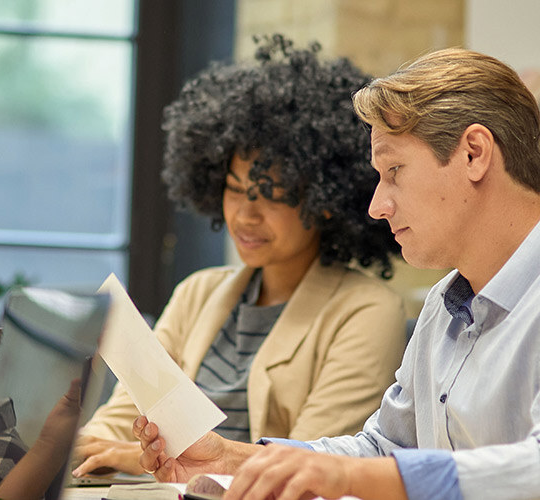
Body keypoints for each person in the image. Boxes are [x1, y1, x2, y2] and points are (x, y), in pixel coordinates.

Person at [134, 46, 540, 500]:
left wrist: (347, 479)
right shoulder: (442, 306)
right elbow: (384, 448)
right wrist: (236, 459)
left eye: (394, 170)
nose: (377, 205)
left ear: (473, 153)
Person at [72, 34, 405, 478]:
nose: (245, 215)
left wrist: (136, 459)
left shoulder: (365, 312)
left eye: (272, 195)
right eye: (234, 191)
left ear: (326, 200)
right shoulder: (198, 292)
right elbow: (120, 422)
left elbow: (313, 464)